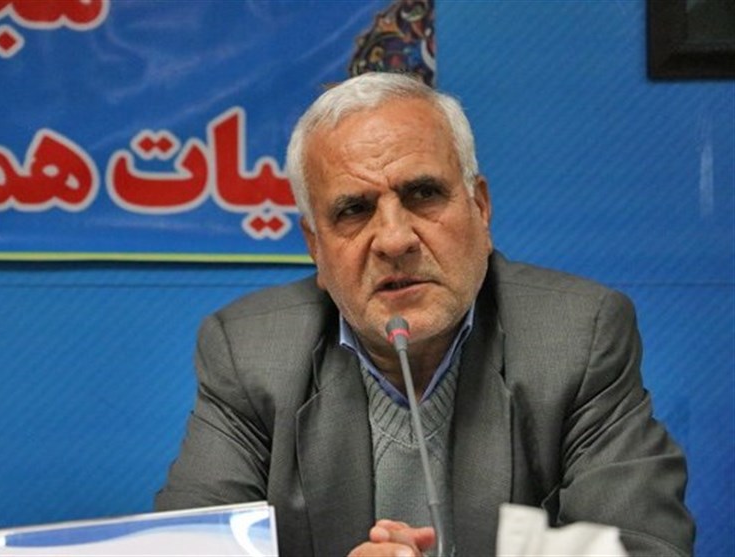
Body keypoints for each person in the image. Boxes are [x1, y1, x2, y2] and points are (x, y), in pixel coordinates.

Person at [155, 72, 694, 557]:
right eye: (354, 209)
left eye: (423, 194)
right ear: (316, 247)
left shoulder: (577, 337)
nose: (394, 240)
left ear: (480, 208)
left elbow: (641, 547)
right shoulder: (251, 354)